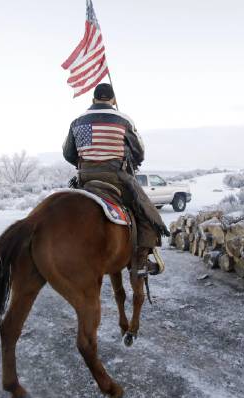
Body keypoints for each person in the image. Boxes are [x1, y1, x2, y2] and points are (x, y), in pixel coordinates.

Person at [62, 83, 168, 276]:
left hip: (85, 179)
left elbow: (68, 153)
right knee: (145, 211)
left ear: (93, 99)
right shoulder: (123, 119)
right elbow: (139, 152)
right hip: (116, 177)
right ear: (113, 100)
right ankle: (141, 262)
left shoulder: (77, 121)